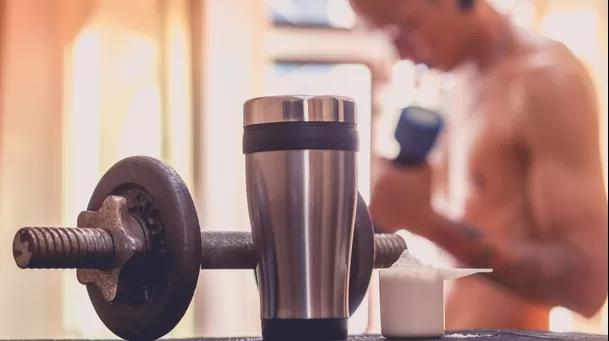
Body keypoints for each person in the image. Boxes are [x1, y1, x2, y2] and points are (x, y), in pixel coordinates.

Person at [350, 0, 609, 331]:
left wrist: (428, 223)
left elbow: (591, 283)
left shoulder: (546, 81)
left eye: (407, 29)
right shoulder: (456, 78)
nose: (401, 54)